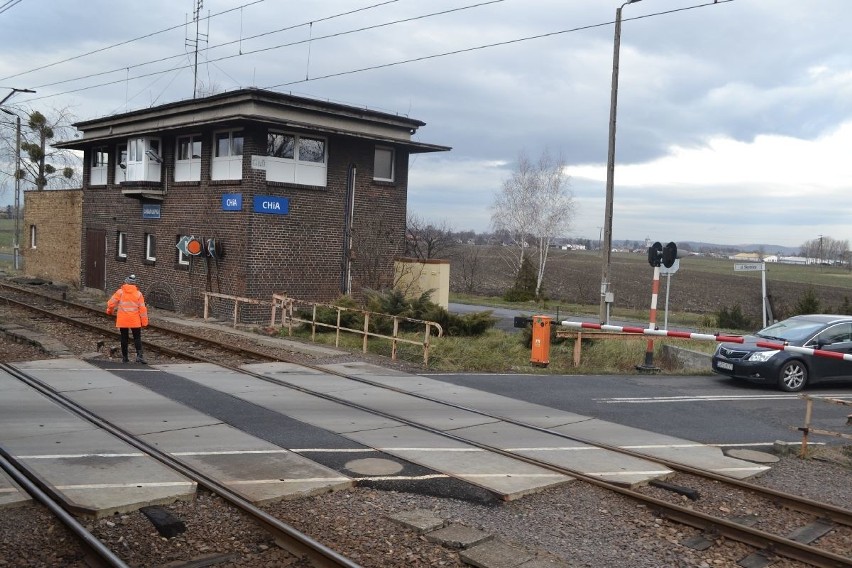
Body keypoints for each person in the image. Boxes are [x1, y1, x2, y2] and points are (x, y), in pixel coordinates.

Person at [106, 274, 149, 364]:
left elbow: (111, 303)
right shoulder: (138, 294)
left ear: (126, 282)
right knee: (137, 337)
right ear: (134, 284)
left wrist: (109, 311)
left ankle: (125, 358)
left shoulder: (120, 292)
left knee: (124, 338)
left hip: (123, 319)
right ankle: (139, 356)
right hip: (135, 319)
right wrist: (144, 322)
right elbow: (142, 309)